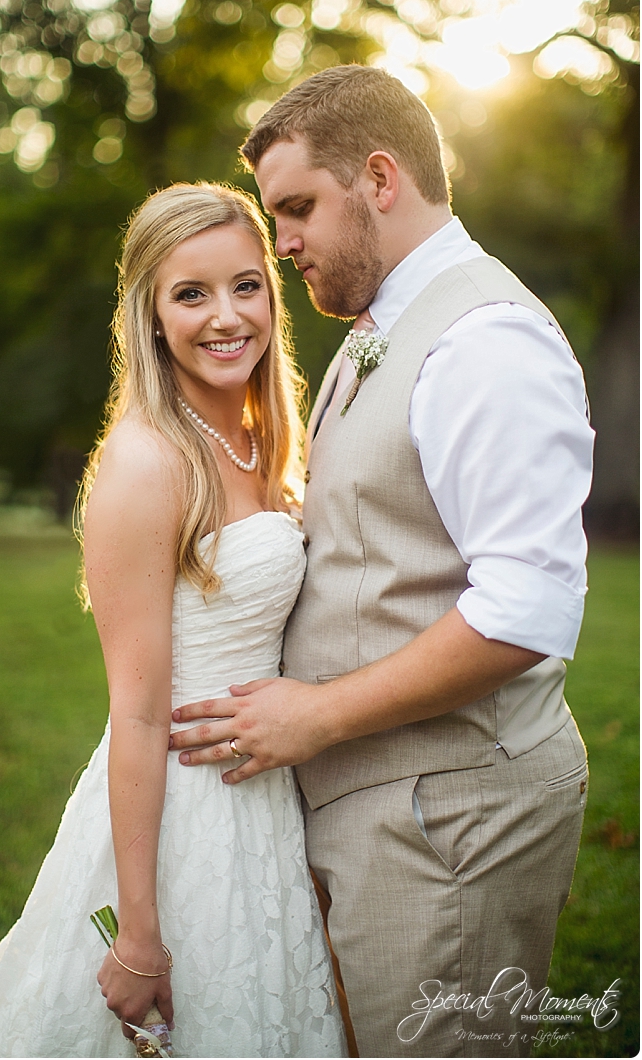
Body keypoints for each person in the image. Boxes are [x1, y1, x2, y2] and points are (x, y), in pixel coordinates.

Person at [169, 66, 594, 1058]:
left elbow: (524, 610)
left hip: (448, 826)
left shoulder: (483, 344)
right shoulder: (386, 331)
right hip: (386, 814)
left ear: (378, 176)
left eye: (296, 209)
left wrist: (313, 714)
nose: (281, 246)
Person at [0, 183, 347, 1059]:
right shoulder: (146, 462)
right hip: (180, 817)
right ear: (150, 313)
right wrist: (140, 933)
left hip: (267, 803)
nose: (227, 317)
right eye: (191, 293)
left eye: (246, 286)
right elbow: (136, 713)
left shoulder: (258, 437)